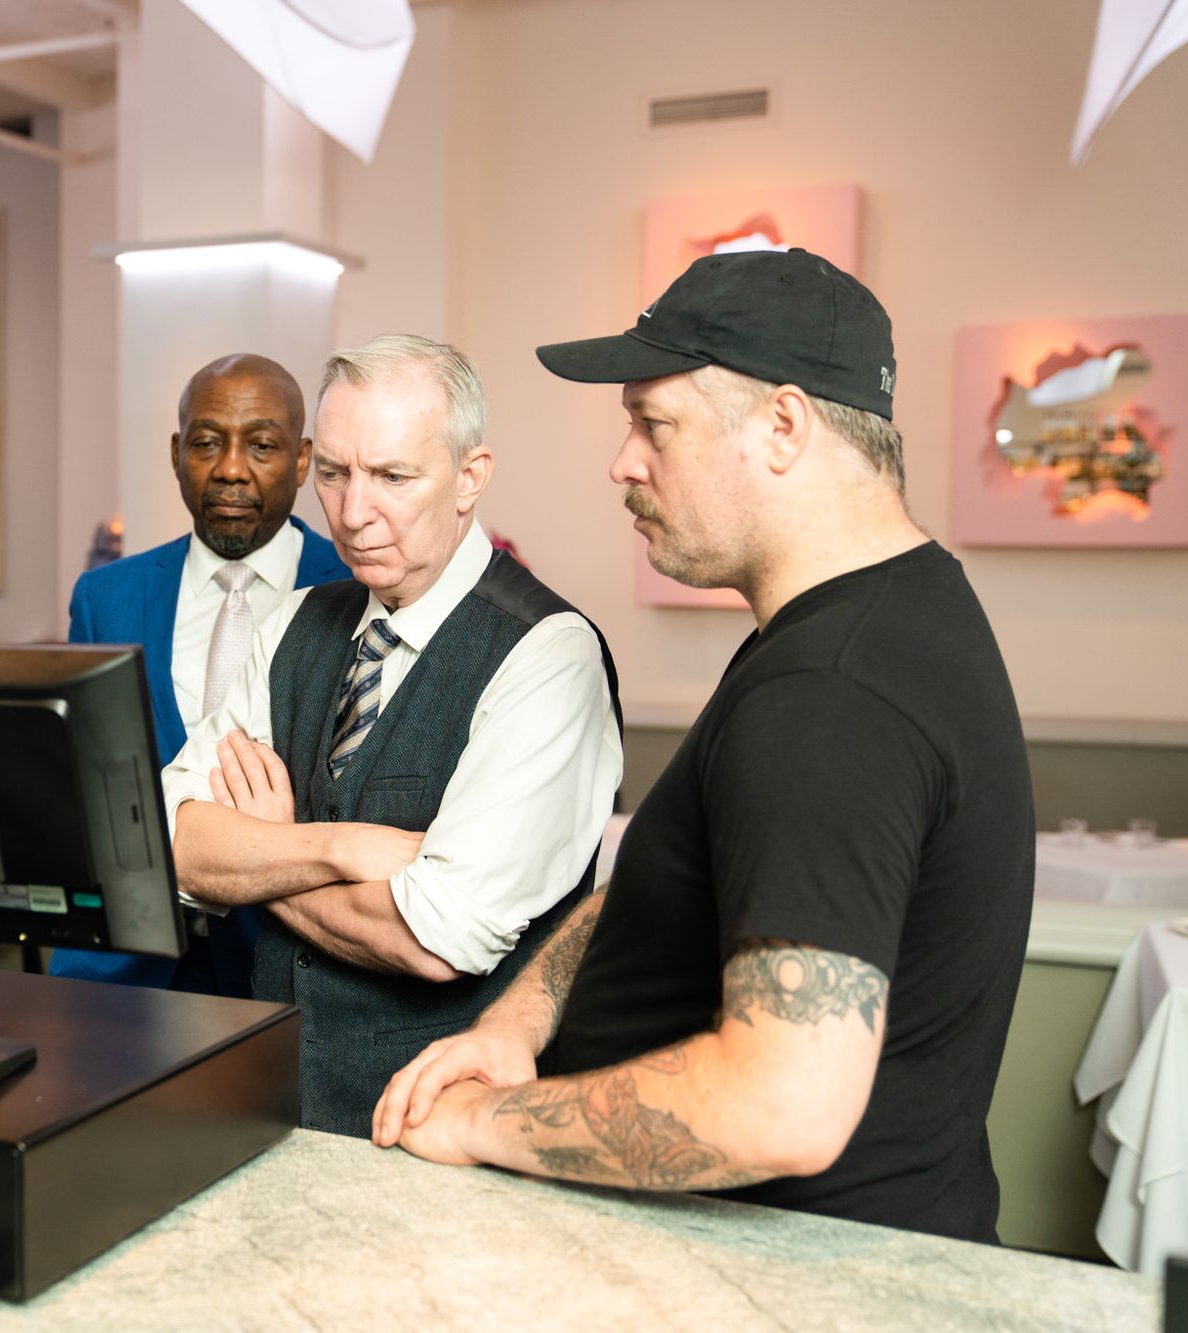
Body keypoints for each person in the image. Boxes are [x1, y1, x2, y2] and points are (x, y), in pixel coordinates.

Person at [372, 250, 1034, 1244]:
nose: (622, 460)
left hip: (792, 1279)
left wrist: (480, 1122)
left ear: (781, 425)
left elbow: (780, 1106)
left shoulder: (829, 696)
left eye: (654, 423)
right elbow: (669, 886)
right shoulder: (884, 612)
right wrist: (517, 1024)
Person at [165, 334, 623, 1137]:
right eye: (335, 474)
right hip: (260, 1108)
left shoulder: (548, 655)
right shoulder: (292, 623)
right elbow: (168, 841)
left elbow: (435, 938)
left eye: (392, 477)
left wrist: (263, 850)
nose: (352, 511)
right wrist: (337, 847)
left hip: (435, 1135)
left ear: (470, 478)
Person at [53, 353, 348, 995]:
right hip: (122, 964)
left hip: (289, 962)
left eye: (262, 445)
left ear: (302, 460)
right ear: (176, 452)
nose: (232, 469)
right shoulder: (106, 598)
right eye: (207, 443)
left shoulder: (355, 592)